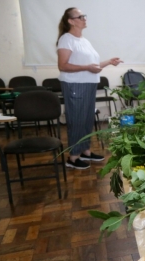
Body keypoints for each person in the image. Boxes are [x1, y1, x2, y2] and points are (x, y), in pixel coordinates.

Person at [57, 7, 122, 169]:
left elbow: (92, 66)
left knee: (86, 119)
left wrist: (108, 62)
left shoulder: (84, 41)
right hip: (75, 85)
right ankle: (72, 158)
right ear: (71, 21)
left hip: (88, 84)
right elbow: (63, 65)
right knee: (77, 120)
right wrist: (87, 68)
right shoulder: (66, 39)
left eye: (84, 16)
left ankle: (85, 152)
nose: (84, 18)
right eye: (80, 16)